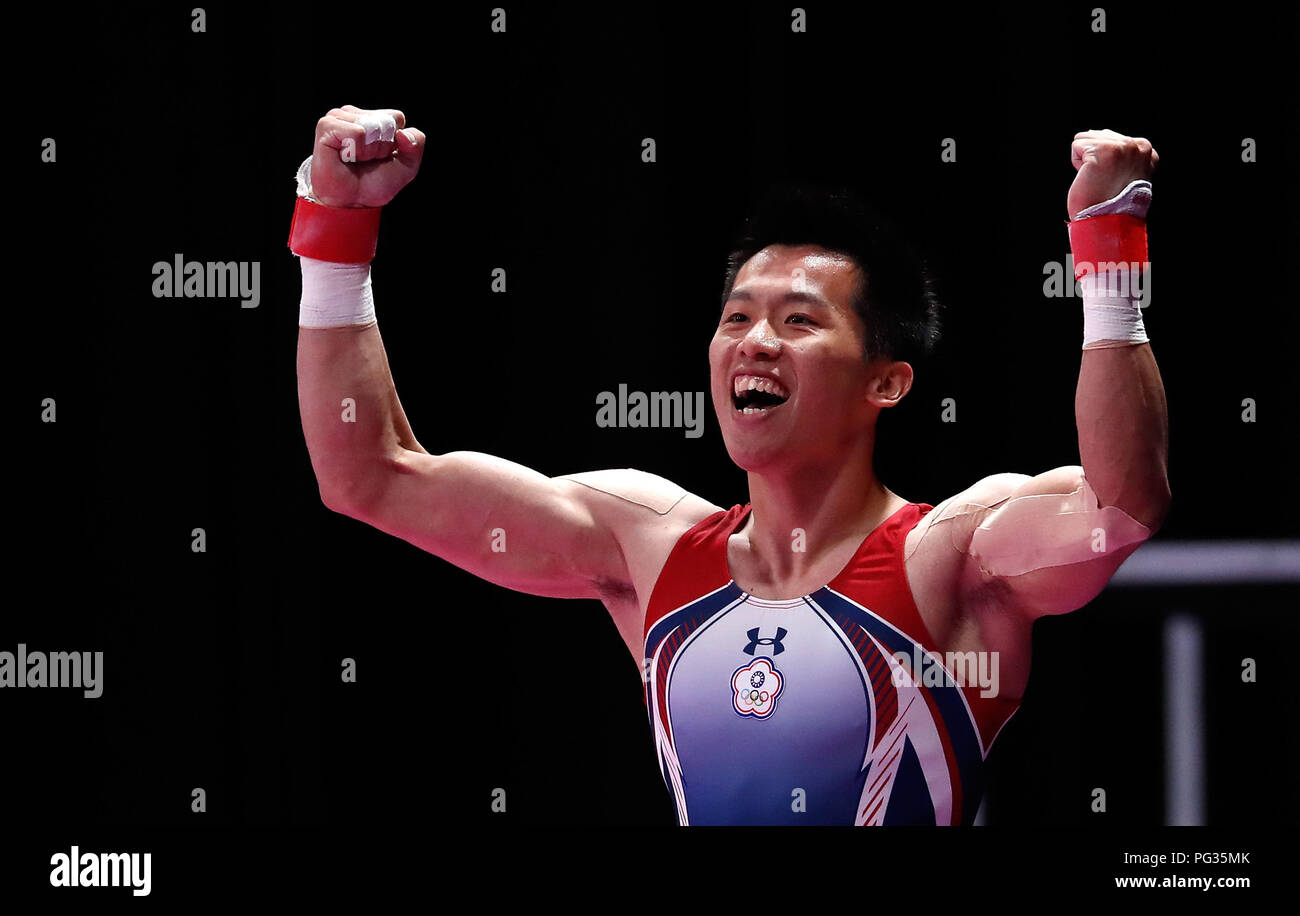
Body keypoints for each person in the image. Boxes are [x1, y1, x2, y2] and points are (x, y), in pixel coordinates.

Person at [292, 106, 1169, 825]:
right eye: (735, 318)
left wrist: (1108, 248)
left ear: (887, 382)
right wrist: (336, 233)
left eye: (797, 322)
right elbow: (368, 475)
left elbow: (1120, 507)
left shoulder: (953, 557)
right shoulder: (647, 547)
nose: (753, 342)